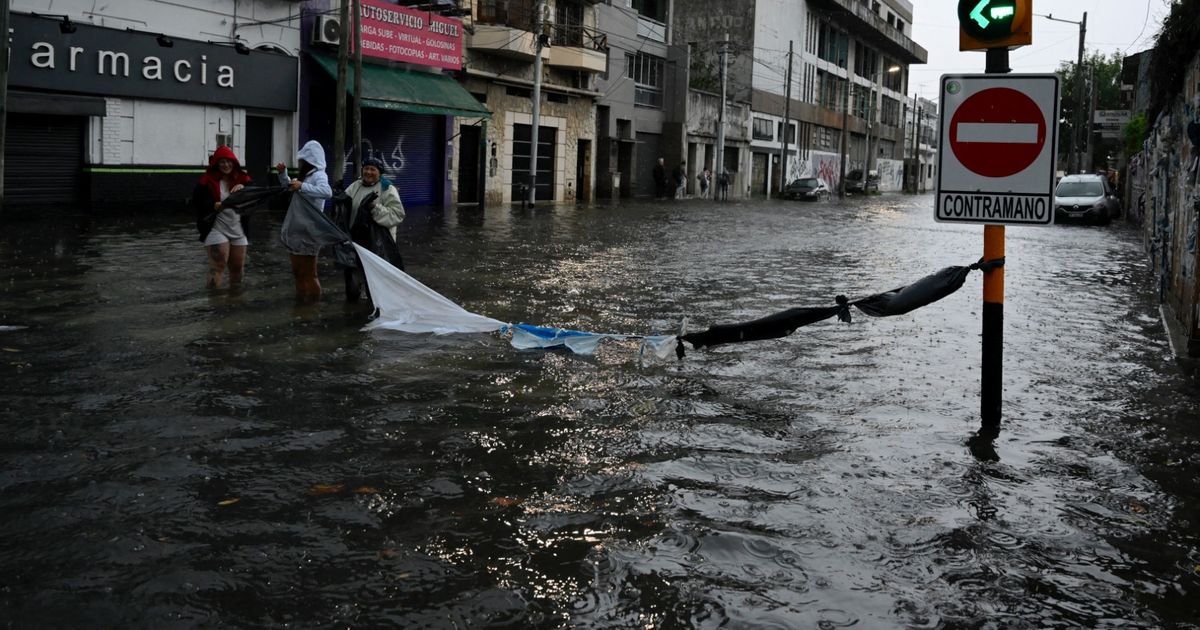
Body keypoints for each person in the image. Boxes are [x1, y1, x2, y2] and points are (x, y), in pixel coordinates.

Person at [341, 156, 406, 302]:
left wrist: (375, 208)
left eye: (373, 169)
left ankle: (374, 311)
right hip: (356, 243)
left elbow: (398, 215)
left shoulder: (387, 188)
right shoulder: (355, 186)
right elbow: (345, 206)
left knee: (376, 287)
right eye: (366, 168)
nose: (368, 172)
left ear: (380, 172)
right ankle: (354, 316)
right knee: (352, 284)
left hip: (378, 247)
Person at [277, 140, 334, 301]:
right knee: (297, 272)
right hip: (296, 230)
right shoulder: (305, 176)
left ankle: (313, 307)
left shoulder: (319, 175)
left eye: (303, 160)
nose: (300, 162)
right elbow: (290, 186)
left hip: (310, 232)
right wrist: (283, 174)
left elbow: (327, 192)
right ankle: (301, 304)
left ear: (310, 161)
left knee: (310, 273)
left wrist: (302, 186)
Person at [193, 145, 252, 289]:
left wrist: (245, 189)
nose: (226, 165)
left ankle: (235, 299)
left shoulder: (243, 179)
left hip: (238, 229)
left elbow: (254, 196)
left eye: (228, 161)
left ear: (234, 162)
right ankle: (214, 303)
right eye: (222, 162)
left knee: (237, 268)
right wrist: (213, 205)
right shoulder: (206, 182)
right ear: (217, 164)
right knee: (217, 266)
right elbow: (197, 202)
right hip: (216, 228)